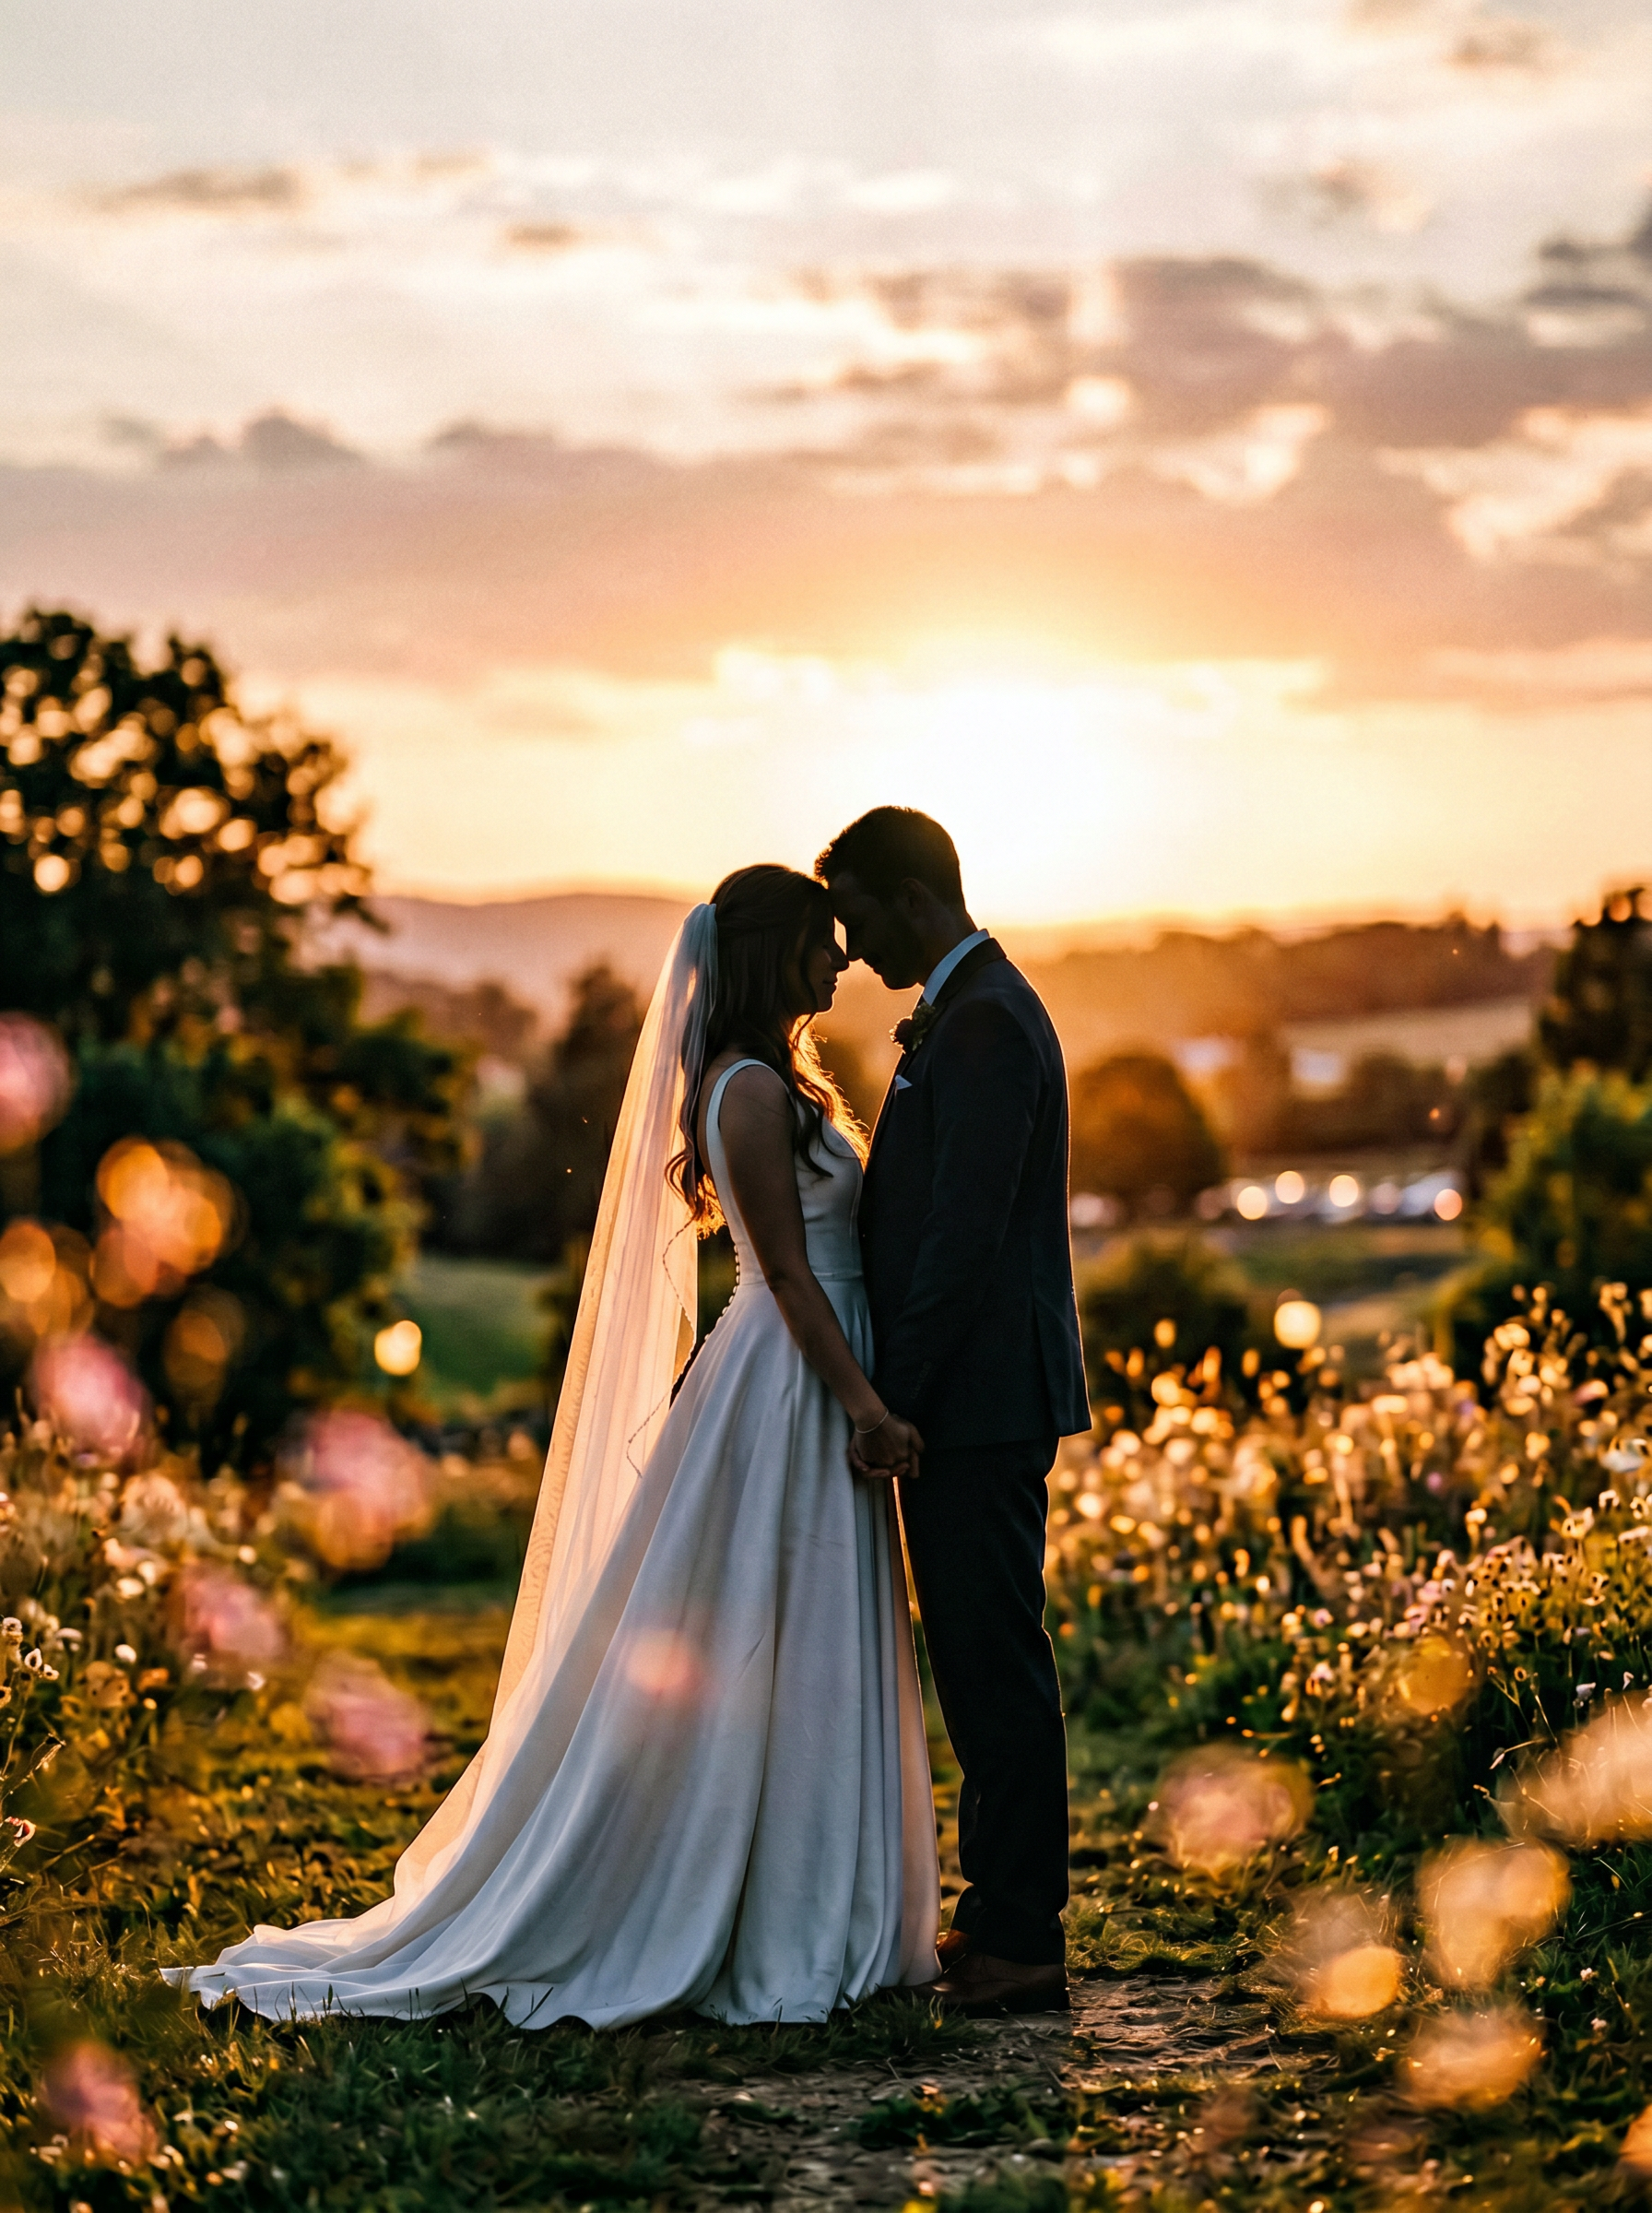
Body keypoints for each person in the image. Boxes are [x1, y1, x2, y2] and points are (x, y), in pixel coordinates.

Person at [164, 866, 939, 2028]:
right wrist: (864, 1407)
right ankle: (747, 1900)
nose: (840, 966)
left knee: (810, 1635)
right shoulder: (746, 1094)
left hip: (808, 1368)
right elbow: (782, 1274)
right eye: (822, 947)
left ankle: (814, 1891)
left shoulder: (783, 1082)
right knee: (763, 1631)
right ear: (776, 955)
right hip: (789, 1383)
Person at [816, 807, 1091, 2016]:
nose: (853, 946)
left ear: (910, 894)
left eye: (859, 914)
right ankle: (1002, 1916)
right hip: (974, 1396)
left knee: (993, 1664)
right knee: (982, 1659)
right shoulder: (971, 1008)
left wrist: (898, 1402)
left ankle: (1022, 1935)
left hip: (975, 1401)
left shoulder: (980, 1024)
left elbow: (962, 1244)